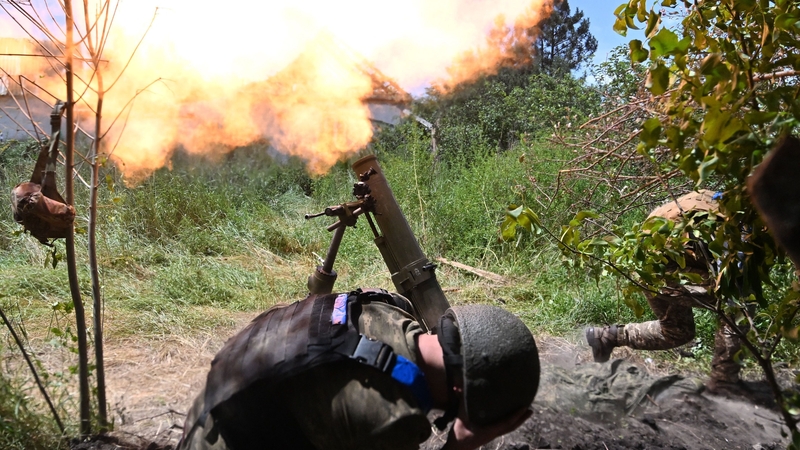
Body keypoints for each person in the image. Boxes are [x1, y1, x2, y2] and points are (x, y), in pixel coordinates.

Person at [178, 288, 540, 450]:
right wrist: (461, 444)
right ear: (463, 396)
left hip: (215, 405)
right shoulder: (391, 419)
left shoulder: (389, 308)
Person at [585, 190, 745, 391]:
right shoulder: (741, 228)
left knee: (678, 331)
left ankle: (606, 337)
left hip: (652, 254)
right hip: (658, 262)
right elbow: (733, 296)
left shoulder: (731, 198)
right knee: (740, 307)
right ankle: (723, 384)